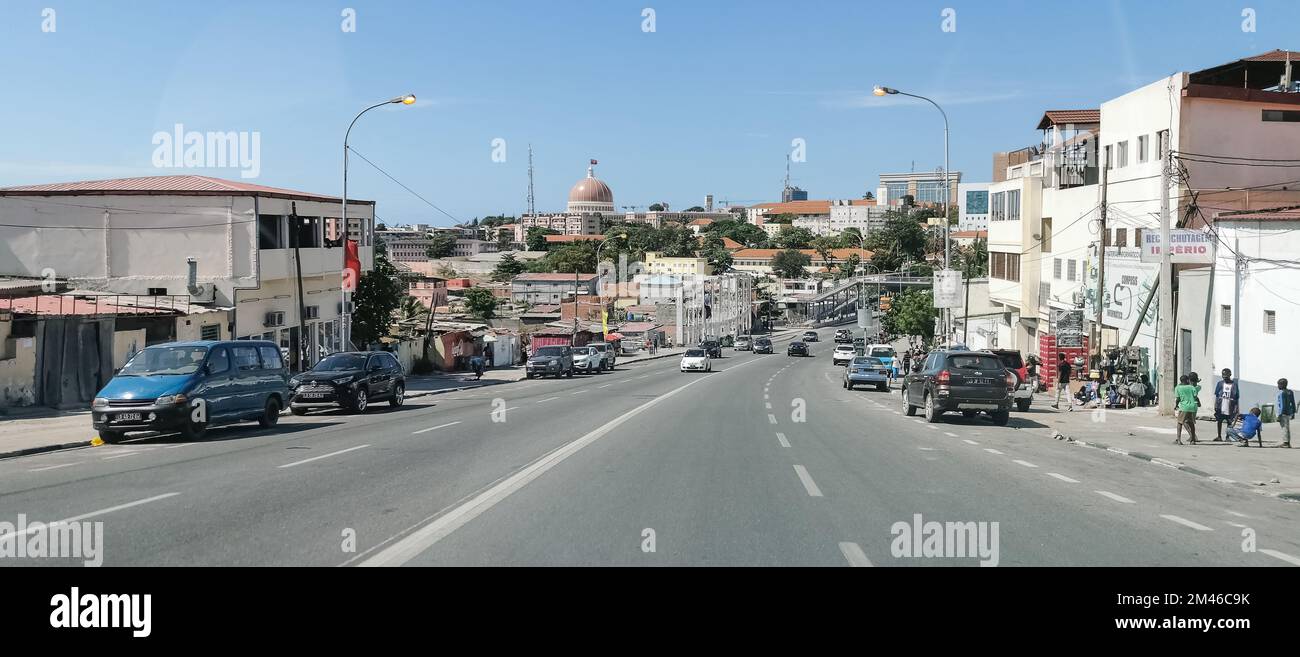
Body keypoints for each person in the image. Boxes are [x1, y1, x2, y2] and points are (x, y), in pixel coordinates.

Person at [1214, 368, 1241, 441]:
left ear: (1230, 375)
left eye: (1226, 376)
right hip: (1221, 406)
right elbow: (1217, 395)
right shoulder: (1220, 383)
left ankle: (1227, 437)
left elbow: (1236, 397)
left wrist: (1237, 407)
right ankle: (1219, 436)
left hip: (1230, 407)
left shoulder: (1234, 385)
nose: (1224, 377)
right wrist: (1215, 405)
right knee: (1219, 421)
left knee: (1229, 422)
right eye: (1223, 376)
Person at [1174, 374, 1200, 445]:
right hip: (1192, 407)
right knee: (1191, 423)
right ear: (1187, 380)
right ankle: (1193, 440)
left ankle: (1179, 440)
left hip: (1183, 407)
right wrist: (1198, 403)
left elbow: (1178, 399)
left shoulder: (1178, 388)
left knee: (1180, 423)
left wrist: (1176, 405)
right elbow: (1195, 397)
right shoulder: (1191, 387)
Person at [1278, 378, 1295, 449]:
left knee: (1284, 428)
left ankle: (1285, 443)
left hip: (1283, 413)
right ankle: (1287, 442)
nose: (1278, 386)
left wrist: (1280, 414)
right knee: (1287, 428)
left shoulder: (1282, 393)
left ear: (1282, 385)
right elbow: (1293, 403)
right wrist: (1293, 412)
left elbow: (1282, 405)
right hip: (1288, 413)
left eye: (1278, 384)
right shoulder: (1290, 392)